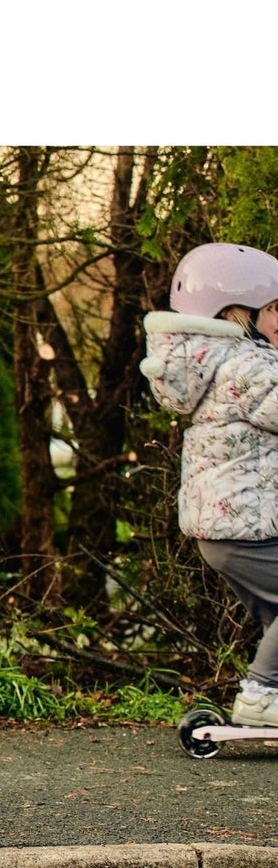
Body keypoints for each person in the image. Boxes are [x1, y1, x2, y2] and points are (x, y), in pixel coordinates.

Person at [142, 240, 278, 727]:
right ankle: (262, 698)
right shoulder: (250, 368)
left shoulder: (216, 366)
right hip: (249, 527)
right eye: (276, 310)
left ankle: (270, 692)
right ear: (236, 312)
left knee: (275, 618)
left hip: (227, 528)